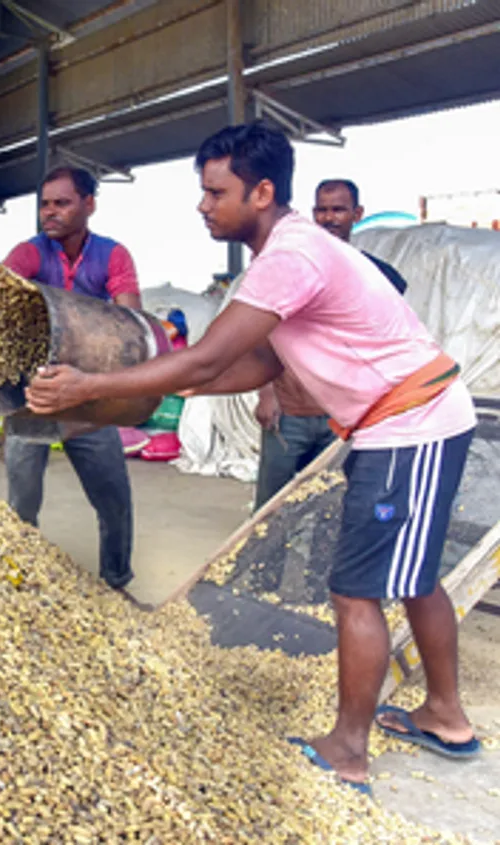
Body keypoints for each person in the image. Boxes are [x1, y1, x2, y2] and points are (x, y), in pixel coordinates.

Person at [24, 123, 479, 792]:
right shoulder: (290, 254)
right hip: (411, 418)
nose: (203, 205)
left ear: (262, 191)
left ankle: (348, 750)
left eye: (216, 191)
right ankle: (445, 714)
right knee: (413, 577)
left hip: (410, 423)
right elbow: (263, 357)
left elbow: (210, 354)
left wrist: (93, 385)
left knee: (356, 590)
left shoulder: (290, 257)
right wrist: (182, 381)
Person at [0, 166, 141, 590]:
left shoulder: (112, 256)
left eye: (62, 203)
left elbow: (129, 319)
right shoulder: (30, 254)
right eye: (45, 204)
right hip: (35, 395)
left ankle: (116, 581)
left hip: (87, 396)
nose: (50, 212)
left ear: (89, 205)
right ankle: (17, 579)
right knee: (22, 498)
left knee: (113, 498)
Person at [252, 179, 412, 508]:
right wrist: (266, 393)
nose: (329, 218)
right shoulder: (293, 268)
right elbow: (264, 333)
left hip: (341, 416)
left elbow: (386, 342)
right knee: (269, 509)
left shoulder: (378, 276)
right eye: (322, 210)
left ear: (357, 214)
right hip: (289, 414)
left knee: (329, 508)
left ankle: (317, 563)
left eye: (338, 209)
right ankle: (263, 563)